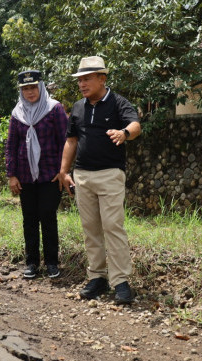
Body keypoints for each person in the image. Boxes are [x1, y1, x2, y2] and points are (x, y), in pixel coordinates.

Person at [57, 56, 141, 304]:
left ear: (102, 78)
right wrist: (64, 171)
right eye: (80, 79)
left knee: (113, 227)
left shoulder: (118, 102)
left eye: (87, 78)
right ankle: (97, 277)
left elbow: (136, 125)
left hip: (110, 175)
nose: (82, 84)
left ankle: (121, 282)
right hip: (82, 176)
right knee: (91, 229)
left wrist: (124, 133)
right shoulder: (78, 107)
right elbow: (71, 141)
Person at [5, 70, 68, 279]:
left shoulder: (54, 109)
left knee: (48, 217)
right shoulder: (17, 114)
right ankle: (31, 262)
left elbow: (66, 142)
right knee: (29, 219)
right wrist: (11, 175)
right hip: (25, 176)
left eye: (33, 87)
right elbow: (11, 146)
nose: (30, 92)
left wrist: (63, 171)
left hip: (50, 175)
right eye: (25, 89)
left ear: (40, 87)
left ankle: (51, 262)